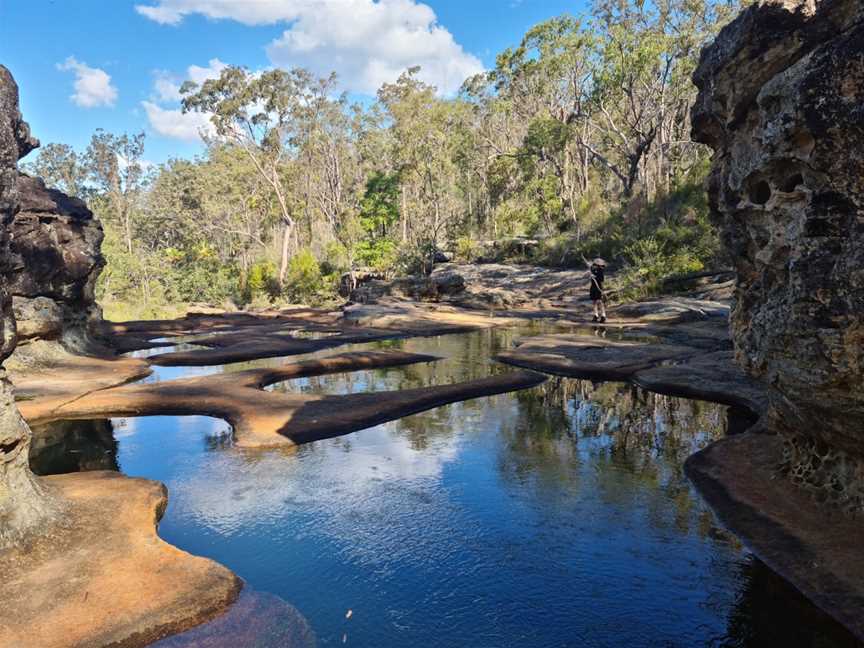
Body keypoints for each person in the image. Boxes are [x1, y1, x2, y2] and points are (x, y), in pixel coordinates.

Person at [589, 258, 607, 323]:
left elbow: (601, 280)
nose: (595, 265)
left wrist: (594, 276)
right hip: (593, 287)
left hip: (599, 287)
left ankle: (603, 316)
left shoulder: (601, 270)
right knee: (594, 301)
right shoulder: (593, 269)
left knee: (600, 301)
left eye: (596, 264)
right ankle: (595, 315)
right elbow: (591, 268)